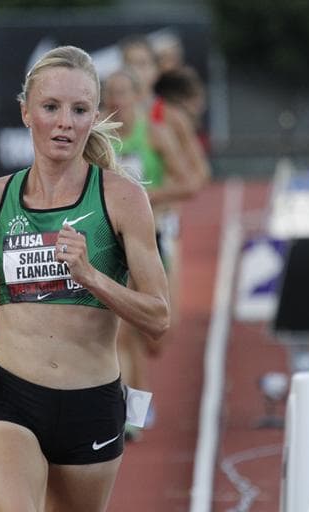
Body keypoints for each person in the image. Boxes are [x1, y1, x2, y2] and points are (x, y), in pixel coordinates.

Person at [0, 45, 170, 512]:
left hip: (92, 405)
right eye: (51, 107)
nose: (65, 123)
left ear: (94, 116)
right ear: (26, 112)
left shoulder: (122, 199)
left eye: (79, 110)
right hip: (12, 400)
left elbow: (158, 318)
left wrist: (91, 276)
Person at [102, 67, 205, 441]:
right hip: (112, 240)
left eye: (123, 93)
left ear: (136, 97)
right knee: (120, 335)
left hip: (151, 238)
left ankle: (138, 405)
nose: (117, 100)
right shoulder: (99, 138)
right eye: (111, 93)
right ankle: (131, 417)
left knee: (152, 338)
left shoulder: (154, 134)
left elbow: (189, 183)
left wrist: (144, 196)